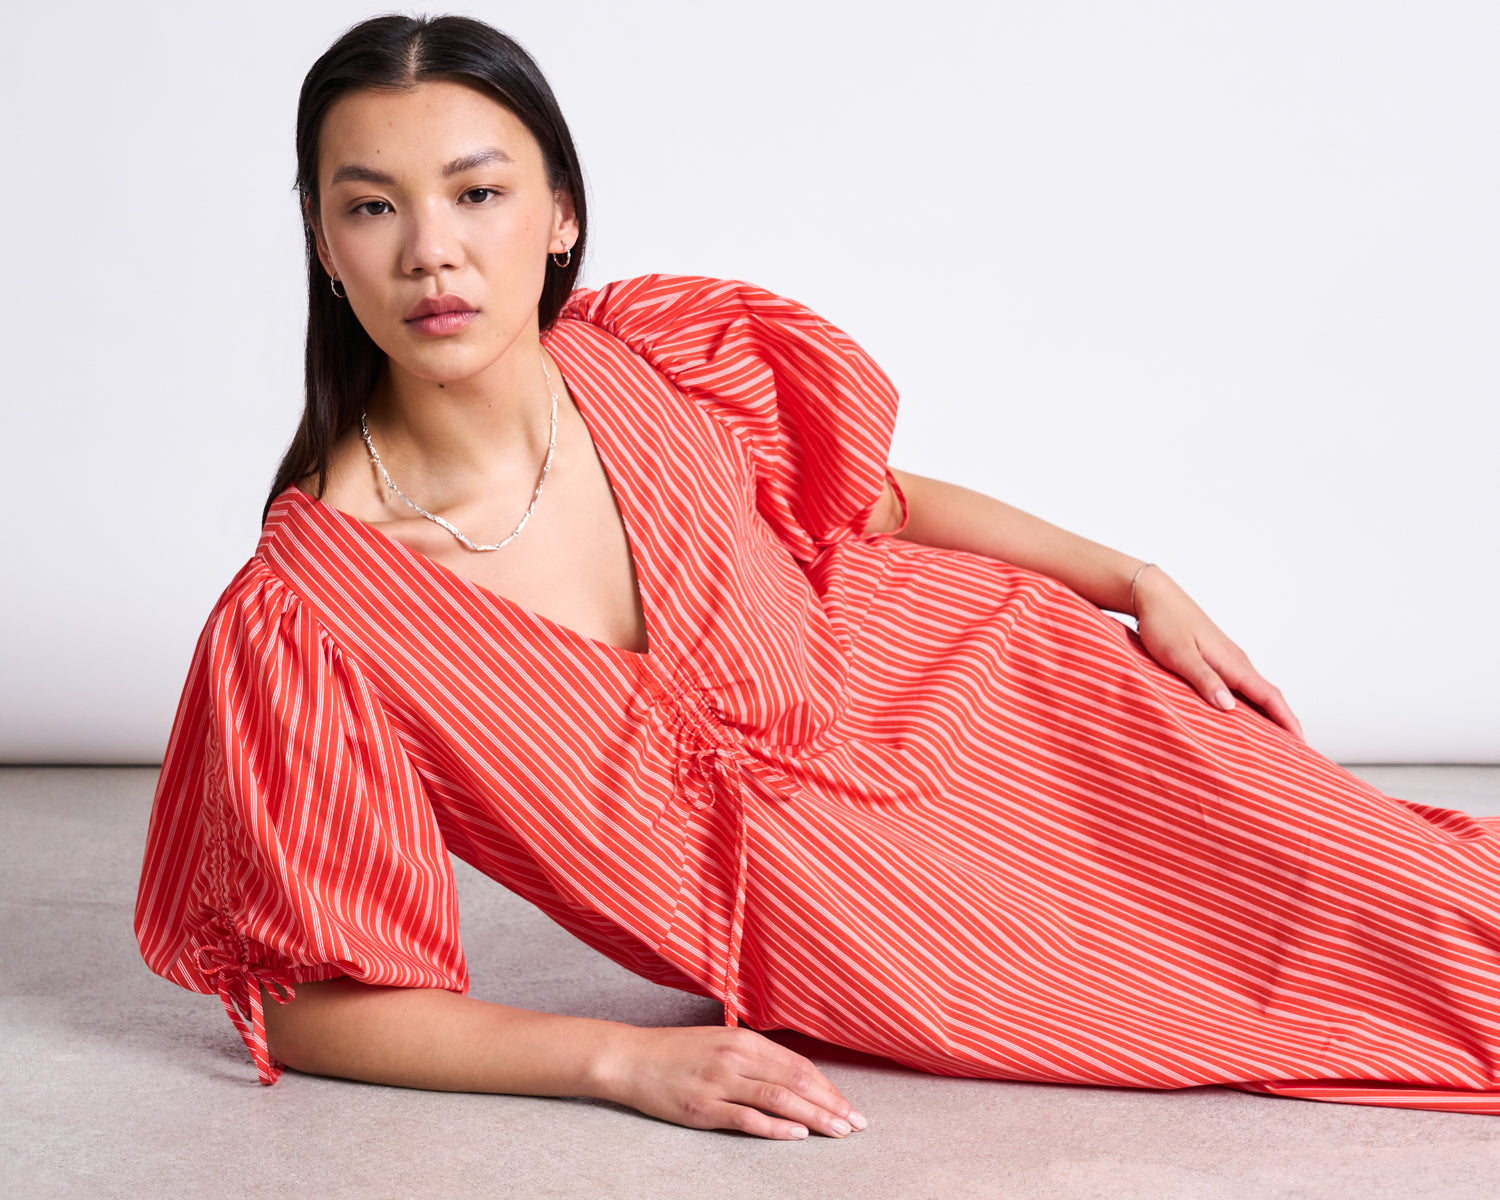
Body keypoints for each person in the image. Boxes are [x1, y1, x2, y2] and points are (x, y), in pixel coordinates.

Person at [135, 13, 1500, 1139]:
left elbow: (876, 503)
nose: (432, 249)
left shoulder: (644, 354)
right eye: (371, 207)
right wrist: (623, 1063)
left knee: (1405, 889)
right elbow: (313, 1003)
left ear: (558, 216)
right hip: (881, 925)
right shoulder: (312, 617)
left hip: (1020, 698)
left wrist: (1131, 577)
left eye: (479, 193)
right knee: (1352, 1001)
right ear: (322, 243)